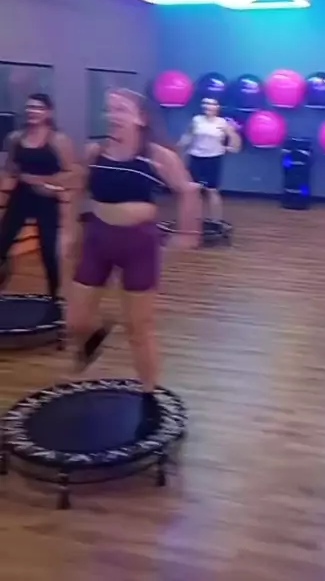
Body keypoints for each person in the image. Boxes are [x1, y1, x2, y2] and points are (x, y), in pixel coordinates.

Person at [67, 88, 200, 433]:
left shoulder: (157, 156)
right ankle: (97, 333)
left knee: (139, 329)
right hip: (97, 241)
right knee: (75, 321)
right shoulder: (94, 152)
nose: (113, 115)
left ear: (140, 118)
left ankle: (149, 394)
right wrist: (68, 231)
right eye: (109, 109)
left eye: (121, 109)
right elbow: (76, 190)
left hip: (139, 245)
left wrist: (188, 232)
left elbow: (188, 191)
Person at [0, 93, 75, 314]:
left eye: (38, 108)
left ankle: (54, 297)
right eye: (30, 107)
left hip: (46, 198)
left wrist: (43, 180)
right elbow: (10, 168)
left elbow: (71, 172)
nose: (32, 111)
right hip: (21, 195)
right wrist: (9, 182)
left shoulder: (58, 140)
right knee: (2, 242)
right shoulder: (15, 138)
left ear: (48, 112)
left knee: (48, 250)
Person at [179, 97, 241, 225]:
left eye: (212, 104)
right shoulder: (196, 120)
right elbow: (188, 136)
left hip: (213, 158)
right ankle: (194, 219)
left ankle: (216, 221)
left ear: (217, 107)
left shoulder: (222, 123)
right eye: (205, 103)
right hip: (195, 157)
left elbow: (234, 138)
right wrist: (179, 147)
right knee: (194, 190)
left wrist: (232, 147)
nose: (208, 106)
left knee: (212, 190)